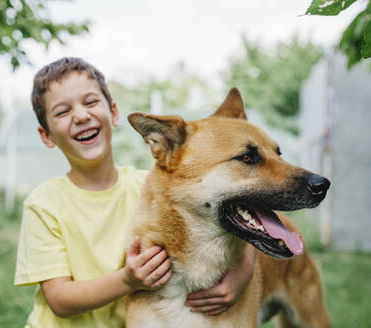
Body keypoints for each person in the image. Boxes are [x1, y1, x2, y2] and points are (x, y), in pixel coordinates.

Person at [14, 57, 255, 328]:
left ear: (113, 112)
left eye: (91, 102)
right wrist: (127, 281)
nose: (81, 116)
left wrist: (241, 275)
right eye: (62, 112)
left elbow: (239, 222)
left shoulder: (151, 188)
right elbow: (59, 299)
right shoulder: (44, 203)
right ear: (46, 135)